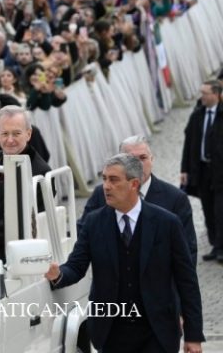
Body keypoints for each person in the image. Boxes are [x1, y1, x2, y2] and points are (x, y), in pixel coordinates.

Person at [45, 154, 204, 353]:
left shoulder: (167, 223)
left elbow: (187, 281)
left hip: (157, 332)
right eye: (104, 179)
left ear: (134, 184)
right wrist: (58, 274)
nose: (106, 186)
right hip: (111, 332)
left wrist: (193, 336)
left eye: (114, 180)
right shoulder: (94, 223)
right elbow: (76, 266)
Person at [81, 135, 196, 262]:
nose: (138, 165)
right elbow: (82, 233)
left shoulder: (175, 199)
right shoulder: (102, 193)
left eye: (143, 158)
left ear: (152, 159)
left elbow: (187, 252)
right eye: (131, 160)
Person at [0, 105, 50, 259]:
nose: (10, 140)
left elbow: (32, 225)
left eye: (16, 133)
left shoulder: (40, 172)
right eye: (5, 133)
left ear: (28, 134)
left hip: (19, 249)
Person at [181, 80, 222, 261]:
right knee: (208, 208)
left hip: (220, 172)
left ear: (216, 94)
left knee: (220, 209)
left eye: (205, 93)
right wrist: (185, 170)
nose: (202, 96)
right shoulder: (197, 115)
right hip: (203, 171)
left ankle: (220, 247)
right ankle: (215, 244)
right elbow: (189, 144)